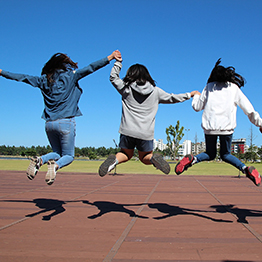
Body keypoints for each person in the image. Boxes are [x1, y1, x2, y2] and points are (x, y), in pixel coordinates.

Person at [0, 51, 121, 185]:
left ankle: (40, 160)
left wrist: (1, 72)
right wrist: (110, 57)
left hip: (49, 124)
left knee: (57, 152)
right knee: (68, 156)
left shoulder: (43, 80)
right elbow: (91, 68)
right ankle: (55, 166)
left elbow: (22, 77)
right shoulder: (71, 76)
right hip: (65, 122)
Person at [99, 51, 200, 177]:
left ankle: (114, 161)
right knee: (145, 157)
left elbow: (113, 78)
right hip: (145, 133)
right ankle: (153, 159)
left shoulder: (126, 88)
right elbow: (172, 98)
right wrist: (189, 95)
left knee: (125, 154)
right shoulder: (156, 92)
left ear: (130, 75)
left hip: (127, 131)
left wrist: (118, 63)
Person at [175, 58, 262, 186]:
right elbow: (248, 109)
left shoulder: (209, 87)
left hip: (210, 128)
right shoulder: (234, 88)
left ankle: (192, 160)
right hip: (226, 128)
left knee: (210, 154)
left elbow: (197, 107)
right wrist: (260, 123)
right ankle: (245, 169)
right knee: (225, 154)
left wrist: (196, 95)